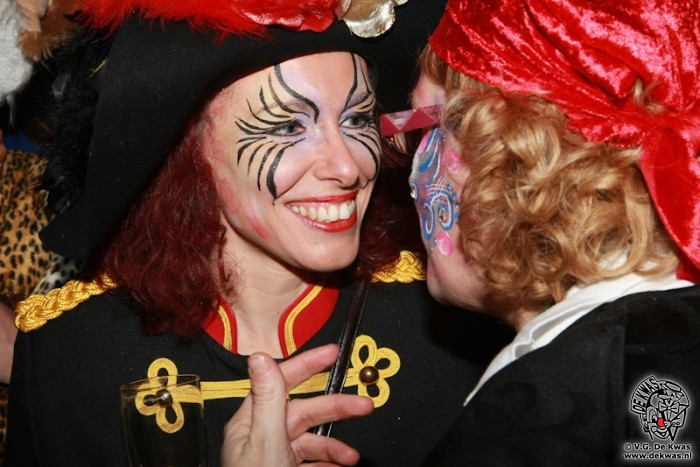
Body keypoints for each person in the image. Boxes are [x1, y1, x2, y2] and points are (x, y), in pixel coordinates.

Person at [6, 0, 512, 465]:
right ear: (188, 151)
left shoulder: (457, 330)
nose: (347, 166)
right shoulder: (69, 357)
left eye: (358, 118)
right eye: (288, 127)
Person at [221, 0, 700, 465]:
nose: (356, 168)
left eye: (423, 128)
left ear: (508, 150)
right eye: (288, 126)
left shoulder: (537, 421)